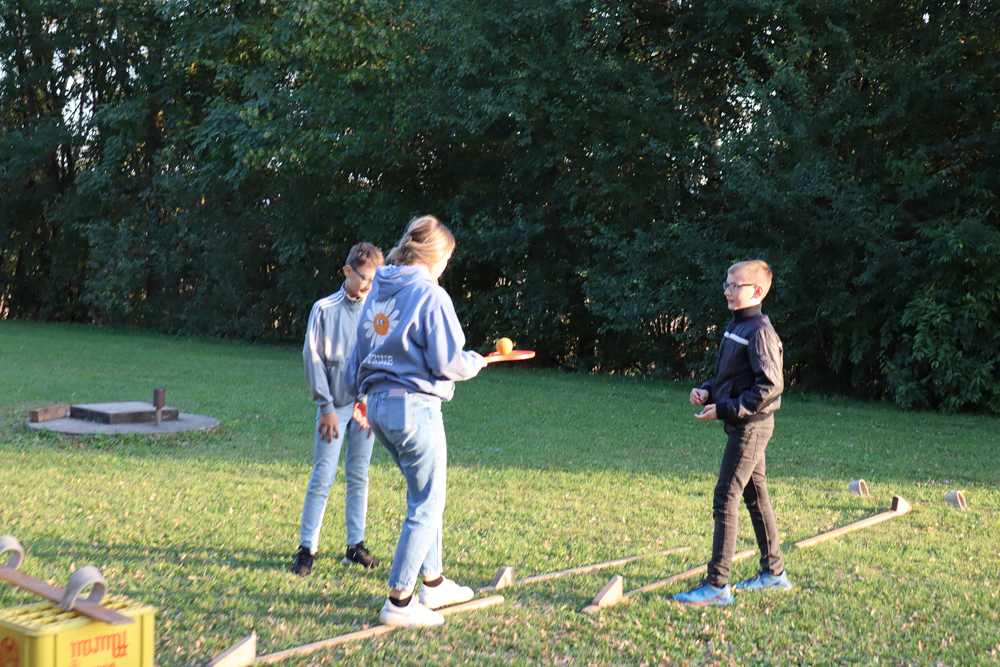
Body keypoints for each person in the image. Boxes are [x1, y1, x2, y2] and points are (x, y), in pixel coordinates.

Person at [345, 215, 487, 628]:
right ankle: (400, 602)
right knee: (428, 501)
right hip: (413, 409)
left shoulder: (378, 288)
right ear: (435, 256)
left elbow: (359, 351)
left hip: (377, 406)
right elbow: (447, 360)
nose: (445, 267)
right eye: (447, 259)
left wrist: (361, 394)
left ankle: (434, 583)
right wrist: (473, 362)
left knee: (424, 494)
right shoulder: (431, 294)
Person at [673, 259, 792, 605]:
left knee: (725, 498)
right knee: (756, 497)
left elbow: (769, 387)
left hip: (751, 428)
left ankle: (717, 586)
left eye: (735, 285)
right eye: (726, 284)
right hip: (743, 424)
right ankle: (774, 574)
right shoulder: (736, 326)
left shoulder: (760, 331)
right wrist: (707, 390)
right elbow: (730, 377)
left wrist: (724, 409)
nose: (727, 290)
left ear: (757, 291)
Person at [293, 242, 385, 576]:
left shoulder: (377, 311)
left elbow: (380, 356)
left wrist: (370, 399)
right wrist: (326, 407)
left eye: (374, 280)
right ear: (347, 271)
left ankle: (355, 546)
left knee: (359, 475)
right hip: (333, 408)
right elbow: (312, 357)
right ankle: (306, 549)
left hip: (365, 407)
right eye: (364, 278)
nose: (369, 285)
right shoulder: (324, 309)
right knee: (323, 475)